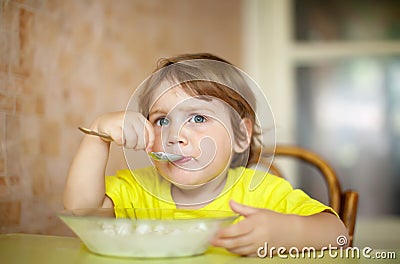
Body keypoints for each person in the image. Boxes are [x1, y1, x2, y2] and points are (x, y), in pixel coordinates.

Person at [63, 53, 348, 256]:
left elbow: (337, 233)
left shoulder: (261, 192)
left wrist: (285, 233)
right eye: (162, 120)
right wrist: (98, 136)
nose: (175, 135)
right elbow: (81, 211)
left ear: (240, 135)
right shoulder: (137, 189)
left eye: (198, 118)